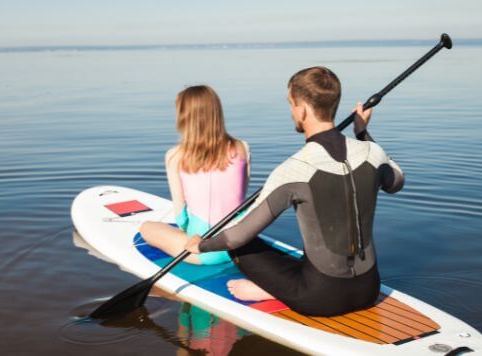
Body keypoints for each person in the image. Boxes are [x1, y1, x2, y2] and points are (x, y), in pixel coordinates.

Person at [184, 66, 405, 316]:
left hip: (320, 300)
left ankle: (268, 292)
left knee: (239, 245)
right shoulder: (373, 153)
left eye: (291, 104)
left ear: (301, 109)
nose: (291, 112)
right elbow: (396, 182)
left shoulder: (293, 169)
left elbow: (236, 237)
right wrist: (362, 132)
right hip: (368, 290)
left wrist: (200, 245)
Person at [139, 85, 250, 265]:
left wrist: (187, 229)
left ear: (184, 117)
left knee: (147, 228)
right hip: (241, 243)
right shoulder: (243, 148)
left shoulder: (175, 156)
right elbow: (241, 200)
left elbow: (181, 218)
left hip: (204, 252)